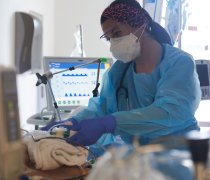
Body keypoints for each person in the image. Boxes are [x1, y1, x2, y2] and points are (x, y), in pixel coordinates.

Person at [42, 0, 201, 147]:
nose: (113, 45)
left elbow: (169, 113)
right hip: (140, 157)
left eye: (117, 33)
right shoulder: (119, 71)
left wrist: (110, 123)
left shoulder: (179, 63)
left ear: (142, 25)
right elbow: (102, 106)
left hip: (180, 156)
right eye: (109, 38)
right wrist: (74, 121)